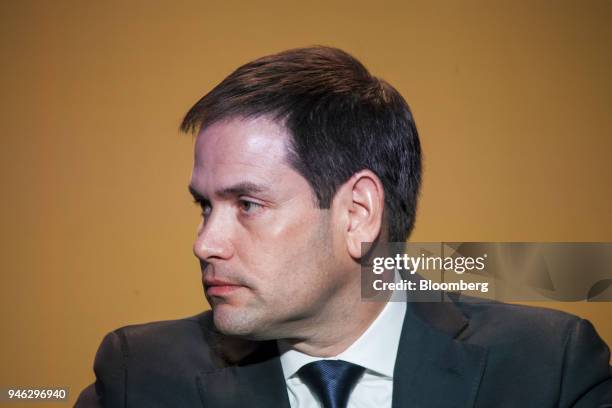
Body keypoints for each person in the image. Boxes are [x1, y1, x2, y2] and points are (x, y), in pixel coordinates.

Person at [76, 46, 612, 408]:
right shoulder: (139, 376)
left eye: (247, 204)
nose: (205, 243)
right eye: (204, 207)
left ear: (357, 213)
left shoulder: (549, 369)